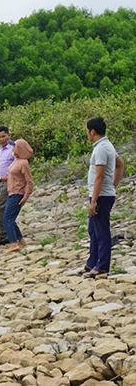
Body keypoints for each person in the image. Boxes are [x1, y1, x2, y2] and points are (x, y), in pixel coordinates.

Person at [82, 117, 125, 278]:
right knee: (93, 230)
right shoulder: (106, 145)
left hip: (100, 196)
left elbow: (99, 176)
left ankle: (102, 265)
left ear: (92, 131)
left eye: (87, 131)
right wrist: (113, 185)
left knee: (101, 231)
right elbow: (120, 165)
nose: (87, 134)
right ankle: (91, 263)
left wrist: (94, 200)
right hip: (103, 193)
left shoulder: (101, 148)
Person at [3, 139, 34, 255]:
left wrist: (26, 196)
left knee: (7, 219)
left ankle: (14, 243)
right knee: (10, 218)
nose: (12, 148)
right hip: (12, 192)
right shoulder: (16, 161)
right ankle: (20, 240)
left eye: (14, 146)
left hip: (17, 194)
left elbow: (30, 182)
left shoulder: (23, 163)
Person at [0, 126, 16, 247]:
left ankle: (10, 233)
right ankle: (3, 235)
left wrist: (10, 177)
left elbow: (18, 165)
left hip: (8, 181)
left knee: (1, 206)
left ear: (9, 135)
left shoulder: (13, 148)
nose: (1, 139)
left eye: (3, 136)